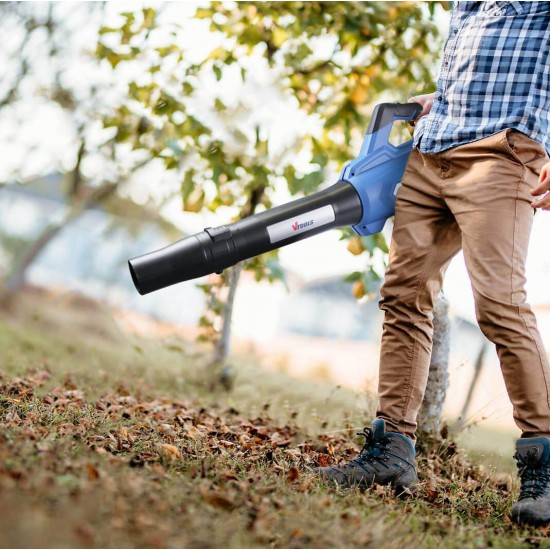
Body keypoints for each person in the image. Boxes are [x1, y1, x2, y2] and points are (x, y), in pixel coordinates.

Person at [316, 1, 550, 526]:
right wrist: (442, 100)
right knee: (403, 296)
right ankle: (391, 451)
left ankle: (545, 464)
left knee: (499, 306)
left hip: (501, 156)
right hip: (432, 151)